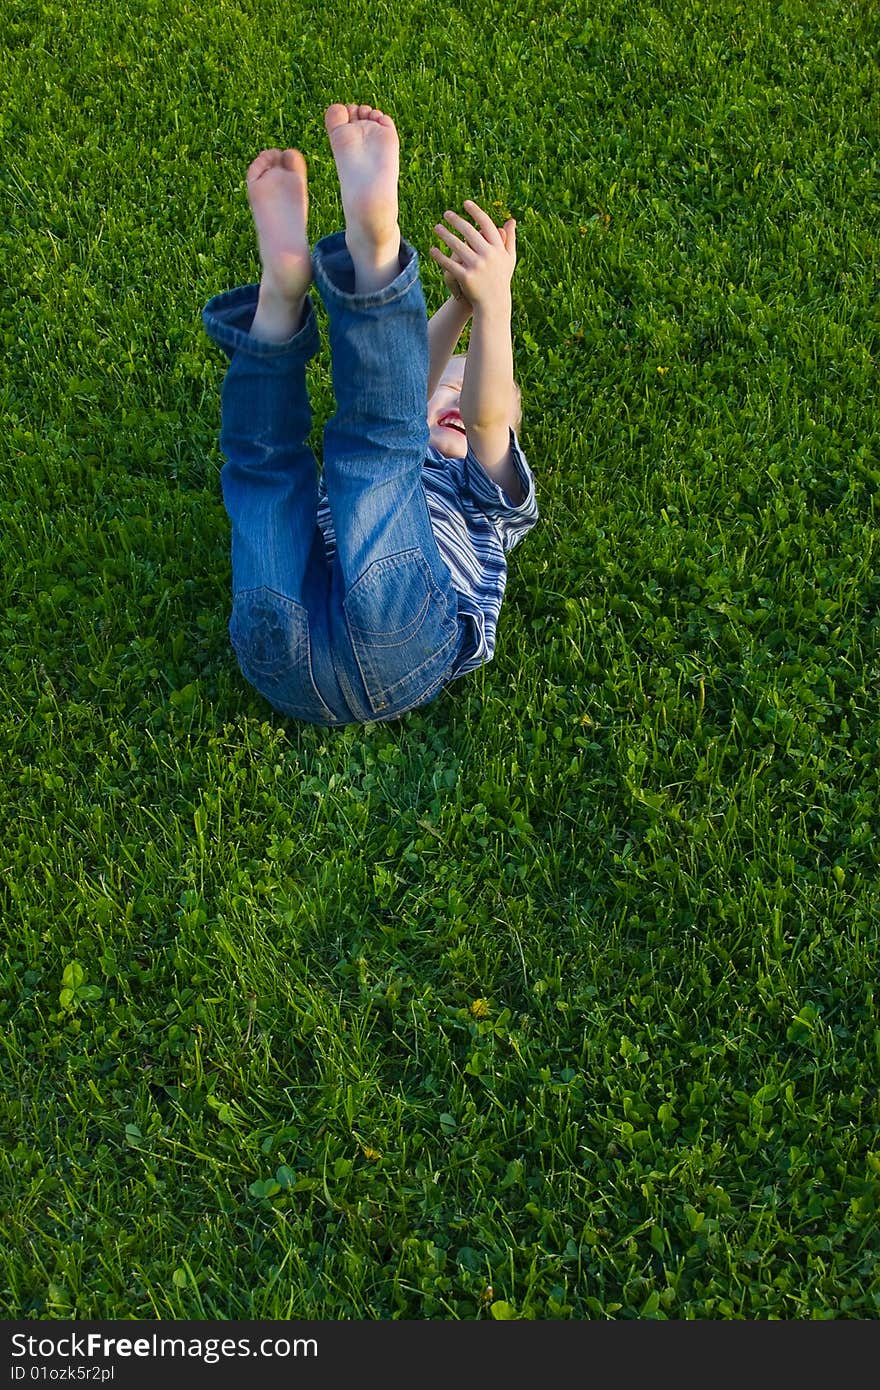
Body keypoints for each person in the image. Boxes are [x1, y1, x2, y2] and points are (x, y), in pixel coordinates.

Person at [201, 103, 538, 726]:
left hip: (387, 635)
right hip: (294, 647)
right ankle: (289, 292)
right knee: (314, 462)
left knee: (300, 466)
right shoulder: (415, 433)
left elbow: (484, 418)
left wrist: (494, 307)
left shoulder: (491, 500)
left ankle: (341, 276)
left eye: (470, 389)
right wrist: (458, 309)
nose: (457, 402)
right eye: (447, 391)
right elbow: (407, 392)